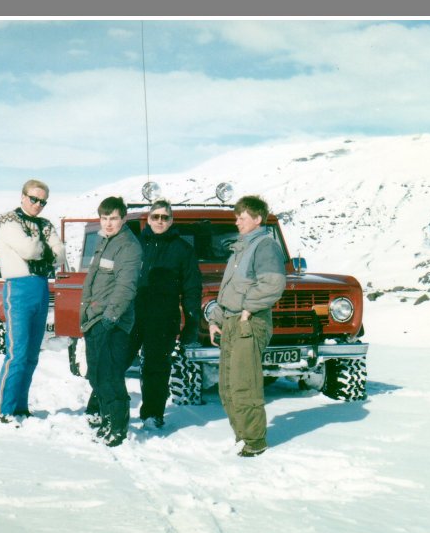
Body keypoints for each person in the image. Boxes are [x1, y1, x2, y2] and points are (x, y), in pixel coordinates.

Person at [208, 195, 286, 457]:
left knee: (244, 384)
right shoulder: (241, 248)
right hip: (231, 322)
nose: (237, 221)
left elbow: (272, 285)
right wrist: (215, 319)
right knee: (227, 386)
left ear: (257, 219)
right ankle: (242, 436)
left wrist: (247, 309)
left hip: (249, 323)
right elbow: (229, 290)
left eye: (242, 217)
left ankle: (255, 441)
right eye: (237, 217)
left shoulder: (265, 246)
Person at [0, 179, 66, 423]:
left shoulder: (45, 224)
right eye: (34, 199)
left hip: (41, 287)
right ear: (22, 196)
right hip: (19, 287)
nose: (38, 205)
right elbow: (28, 250)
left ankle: (21, 406)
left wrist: (42, 250)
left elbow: (60, 255)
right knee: (18, 352)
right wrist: (45, 249)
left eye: (43, 201)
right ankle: (4, 408)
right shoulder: (8, 220)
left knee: (33, 354)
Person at [127, 199, 202, 429]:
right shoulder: (135, 245)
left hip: (163, 317)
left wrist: (191, 324)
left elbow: (192, 289)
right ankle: (104, 407)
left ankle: (153, 414)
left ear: (172, 220)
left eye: (165, 217)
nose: (160, 221)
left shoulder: (183, 250)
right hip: (132, 315)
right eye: (155, 216)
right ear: (148, 219)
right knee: (116, 361)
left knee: (156, 367)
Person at [80, 196, 143, 447]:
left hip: (112, 322)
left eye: (113, 218)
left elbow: (126, 286)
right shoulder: (105, 241)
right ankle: (106, 419)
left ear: (123, 218)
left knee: (110, 376)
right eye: (104, 218)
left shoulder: (128, 246)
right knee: (97, 375)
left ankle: (117, 427)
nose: (108, 223)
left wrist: (110, 318)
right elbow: (94, 280)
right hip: (95, 319)